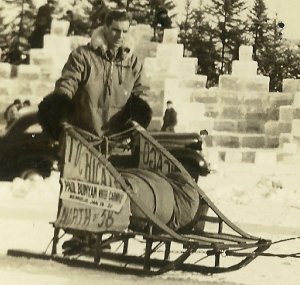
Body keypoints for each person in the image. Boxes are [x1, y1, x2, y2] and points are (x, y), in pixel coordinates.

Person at [38, 9, 151, 140]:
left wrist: (136, 119)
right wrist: (59, 107)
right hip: (84, 140)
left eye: (124, 31)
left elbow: (140, 93)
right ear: (106, 27)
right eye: (115, 30)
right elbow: (68, 83)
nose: (120, 36)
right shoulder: (83, 56)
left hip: (117, 142)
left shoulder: (132, 62)